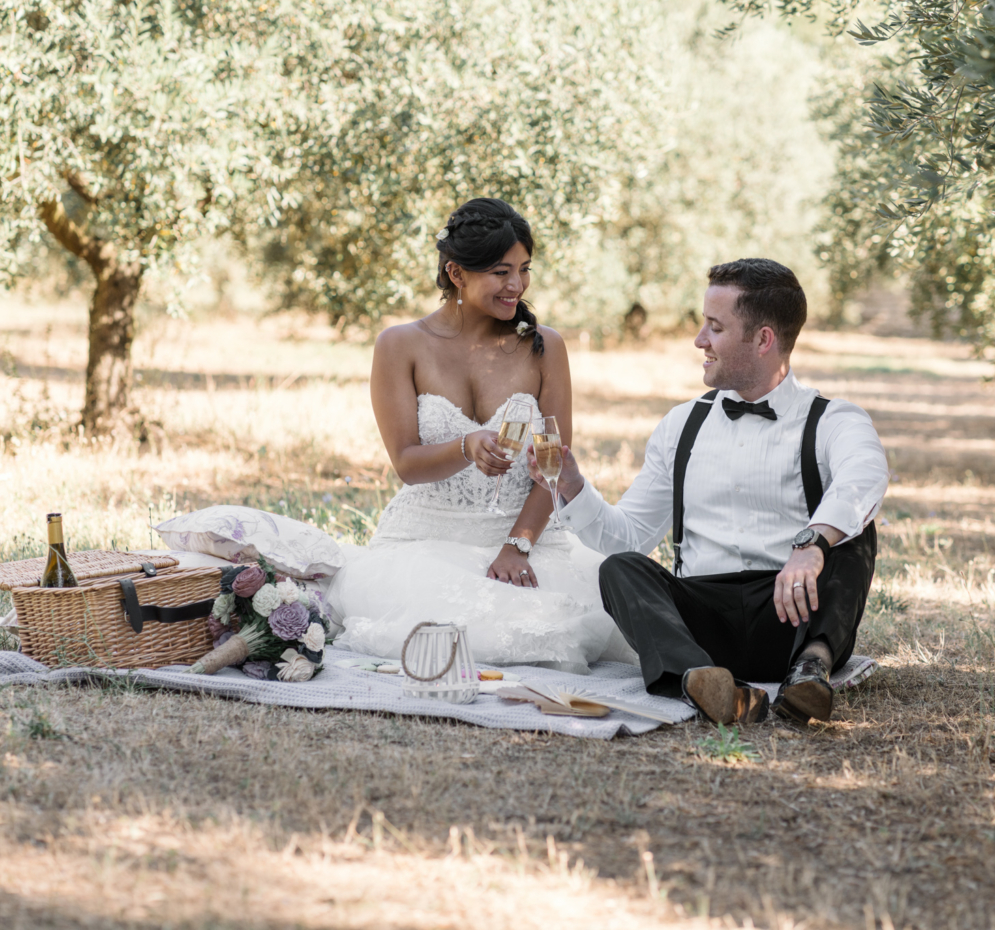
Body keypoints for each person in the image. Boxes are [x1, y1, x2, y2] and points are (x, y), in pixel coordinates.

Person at [531, 258, 888, 724]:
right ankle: (703, 679)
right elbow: (630, 537)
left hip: (796, 613)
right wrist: (573, 486)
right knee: (620, 569)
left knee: (855, 532)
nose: (700, 340)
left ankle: (809, 671)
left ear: (763, 340)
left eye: (715, 328)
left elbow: (866, 475)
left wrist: (813, 544)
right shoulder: (681, 425)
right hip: (703, 625)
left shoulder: (834, 419)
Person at [326, 197, 634, 672]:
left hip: (526, 538)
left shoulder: (544, 347)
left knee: (559, 623)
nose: (517, 286)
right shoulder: (400, 345)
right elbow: (407, 464)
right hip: (425, 539)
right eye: (501, 272)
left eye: (524, 269)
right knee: (444, 629)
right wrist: (467, 446)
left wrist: (519, 545)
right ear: (456, 274)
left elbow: (553, 467)